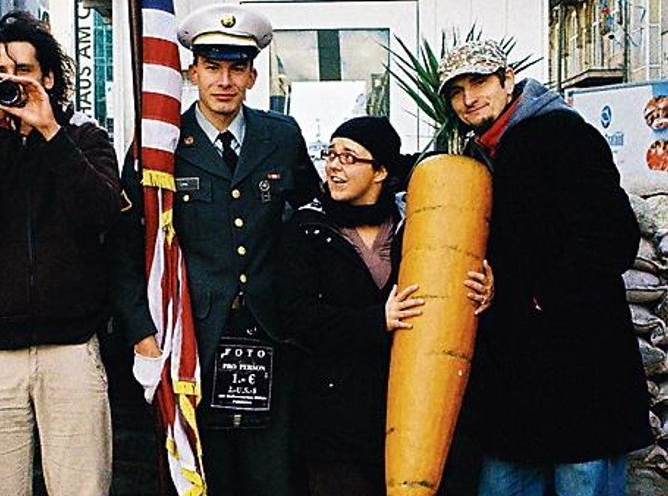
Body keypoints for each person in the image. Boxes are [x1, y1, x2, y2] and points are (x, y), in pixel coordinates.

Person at [111, 3, 322, 496]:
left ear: (252, 75)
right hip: (191, 341)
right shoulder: (158, 143)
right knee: (204, 476)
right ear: (191, 72)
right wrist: (142, 332)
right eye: (212, 67)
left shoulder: (281, 137)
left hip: (272, 336)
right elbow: (125, 249)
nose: (223, 81)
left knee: (272, 478)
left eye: (235, 68)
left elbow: (311, 225)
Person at [438, 39, 652, 496]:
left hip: (579, 366)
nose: (469, 98)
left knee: (581, 479)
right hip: (517, 376)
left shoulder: (559, 134)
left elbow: (614, 238)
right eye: (456, 91)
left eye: (478, 82)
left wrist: (532, 295)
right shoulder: (481, 155)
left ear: (508, 80)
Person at [0, 11, 120, 496]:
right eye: (2, 75)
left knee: (82, 488)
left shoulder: (84, 141)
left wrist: (50, 133)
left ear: (49, 79)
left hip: (71, 348)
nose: (13, 84)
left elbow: (103, 213)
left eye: (24, 72)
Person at [275, 116, 494, 496]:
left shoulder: (420, 226)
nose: (334, 166)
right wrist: (377, 320)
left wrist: (484, 291)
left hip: (417, 417)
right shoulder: (308, 229)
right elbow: (296, 316)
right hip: (336, 422)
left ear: (380, 171)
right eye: (331, 154)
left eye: (349, 157)